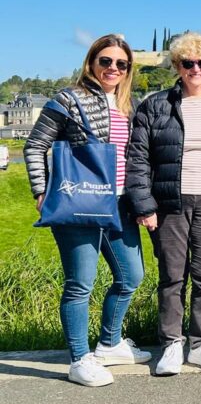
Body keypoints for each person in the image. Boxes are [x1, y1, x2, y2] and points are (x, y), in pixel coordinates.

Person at [24, 35, 150, 386]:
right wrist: (41, 191)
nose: (113, 68)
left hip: (121, 203)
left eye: (121, 64)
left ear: (128, 69)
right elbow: (35, 146)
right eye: (106, 61)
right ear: (91, 62)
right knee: (80, 284)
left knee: (131, 277)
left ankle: (109, 343)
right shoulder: (67, 99)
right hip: (79, 202)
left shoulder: (129, 104)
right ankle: (79, 359)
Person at [125, 33, 201, 376]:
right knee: (172, 276)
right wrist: (144, 205)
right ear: (177, 66)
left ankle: (200, 342)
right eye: (187, 63)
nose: (195, 69)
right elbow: (138, 159)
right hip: (169, 201)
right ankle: (171, 344)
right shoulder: (156, 105)